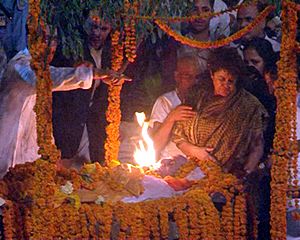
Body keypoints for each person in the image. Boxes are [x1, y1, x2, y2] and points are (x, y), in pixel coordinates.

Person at [0, 26, 123, 178]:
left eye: (54, 40)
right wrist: (94, 73)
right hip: (4, 166)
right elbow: (47, 77)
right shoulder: (18, 66)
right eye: (44, 39)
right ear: (30, 40)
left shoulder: (41, 68)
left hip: (30, 169)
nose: (50, 46)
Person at [166, 47, 268, 191]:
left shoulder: (249, 106)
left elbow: (257, 145)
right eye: (221, 79)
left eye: (231, 81)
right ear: (212, 74)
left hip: (226, 180)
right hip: (188, 171)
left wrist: (245, 173)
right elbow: (179, 137)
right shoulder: (197, 97)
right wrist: (196, 151)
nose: (226, 85)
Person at [51, 10, 114, 164]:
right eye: (93, 27)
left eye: (103, 29)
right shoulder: (71, 49)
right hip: (68, 122)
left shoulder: (112, 52)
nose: (97, 33)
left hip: (94, 125)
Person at [148, 55, 199, 177]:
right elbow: (155, 145)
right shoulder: (165, 101)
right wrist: (171, 118)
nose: (193, 81)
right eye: (188, 76)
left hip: (196, 167)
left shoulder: (204, 101)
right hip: (168, 166)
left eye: (196, 77)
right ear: (177, 76)